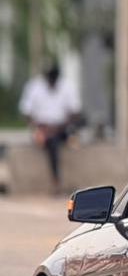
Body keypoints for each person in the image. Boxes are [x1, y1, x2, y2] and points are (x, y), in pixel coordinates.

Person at [19, 63, 80, 194]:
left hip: (62, 129)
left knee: (69, 139)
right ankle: (56, 181)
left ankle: (61, 181)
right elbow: (26, 112)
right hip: (42, 130)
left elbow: (75, 113)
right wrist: (39, 126)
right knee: (51, 141)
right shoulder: (34, 87)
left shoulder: (68, 86)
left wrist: (58, 127)